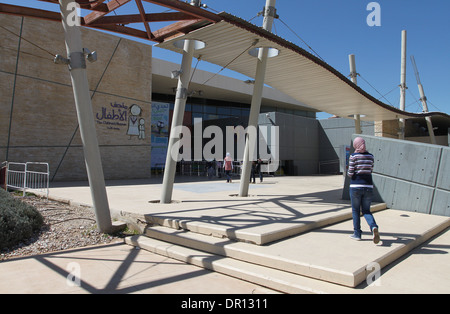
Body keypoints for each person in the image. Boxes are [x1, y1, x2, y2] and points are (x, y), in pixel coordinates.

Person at [347, 137, 380, 244]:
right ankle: (373, 227)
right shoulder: (371, 156)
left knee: (356, 210)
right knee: (366, 210)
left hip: (355, 186)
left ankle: (357, 233)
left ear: (356, 145)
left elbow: (350, 173)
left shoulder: (353, 156)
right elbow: (371, 170)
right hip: (368, 186)